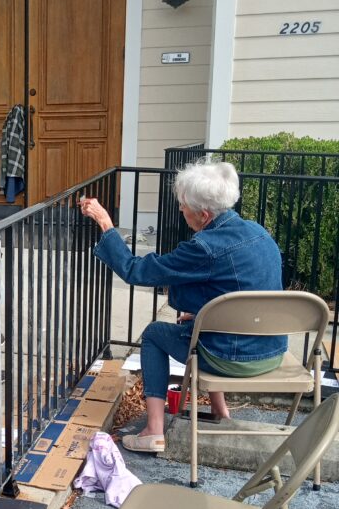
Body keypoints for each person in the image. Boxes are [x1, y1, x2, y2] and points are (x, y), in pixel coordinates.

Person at [79, 160, 286, 453]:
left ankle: (153, 430)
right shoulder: (259, 233)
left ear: (202, 215)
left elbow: (135, 271)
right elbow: (243, 293)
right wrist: (204, 315)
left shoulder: (204, 248)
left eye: (182, 205)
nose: (180, 210)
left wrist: (104, 222)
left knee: (153, 334)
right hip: (271, 352)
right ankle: (221, 413)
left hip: (231, 357)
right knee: (203, 327)